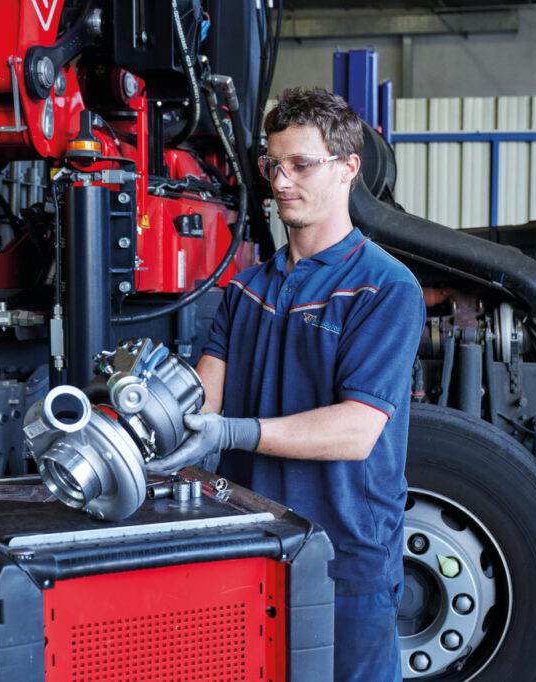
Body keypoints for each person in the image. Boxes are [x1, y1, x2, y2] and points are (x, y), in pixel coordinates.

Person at [147, 87, 426, 682]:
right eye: (274, 164)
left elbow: (356, 431)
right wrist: (146, 408)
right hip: (246, 541)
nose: (281, 180)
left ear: (349, 169)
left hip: (343, 553)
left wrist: (230, 433)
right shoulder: (246, 288)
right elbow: (205, 398)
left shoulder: (384, 287)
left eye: (301, 164)